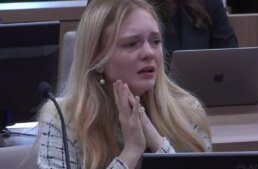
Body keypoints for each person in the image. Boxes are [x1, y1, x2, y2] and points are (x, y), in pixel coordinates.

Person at [37, 0, 212, 168]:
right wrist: (131, 152)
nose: (148, 53)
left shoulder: (187, 113)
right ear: (98, 58)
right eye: (131, 44)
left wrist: (158, 144)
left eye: (155, 41)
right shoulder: (62, 119)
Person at [148, 0, 238, 69]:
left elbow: (229, 56)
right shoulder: (145, 6)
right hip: (158, 88)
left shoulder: (210, 3)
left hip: (205, 86)